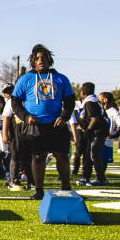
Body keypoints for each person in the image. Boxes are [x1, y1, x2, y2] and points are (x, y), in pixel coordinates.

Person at [11, 43, 77, 200]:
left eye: (43, 58)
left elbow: (70, 101)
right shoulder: (25, 79)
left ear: (49, 60)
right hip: (35, 126)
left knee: (62, 156)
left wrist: (64, 116)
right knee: (38, 157)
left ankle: (66, 187)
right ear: (33, 61)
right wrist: (26, 117)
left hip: (56, 124)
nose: (41, 60)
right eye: (37, 58)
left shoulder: (61, 78)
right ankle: (39, 190)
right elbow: (15, 102)